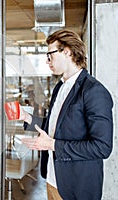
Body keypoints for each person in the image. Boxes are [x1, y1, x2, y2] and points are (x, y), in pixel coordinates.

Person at [20, 29, 113, 200]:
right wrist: (28, 119)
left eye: (50, 55)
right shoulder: (60, 87)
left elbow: (102, 147)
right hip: (52, 179)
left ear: (67, 52)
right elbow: (57, 126)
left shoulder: (94, 91)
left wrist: (53, 145)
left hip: (76, 186)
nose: (47, 61)